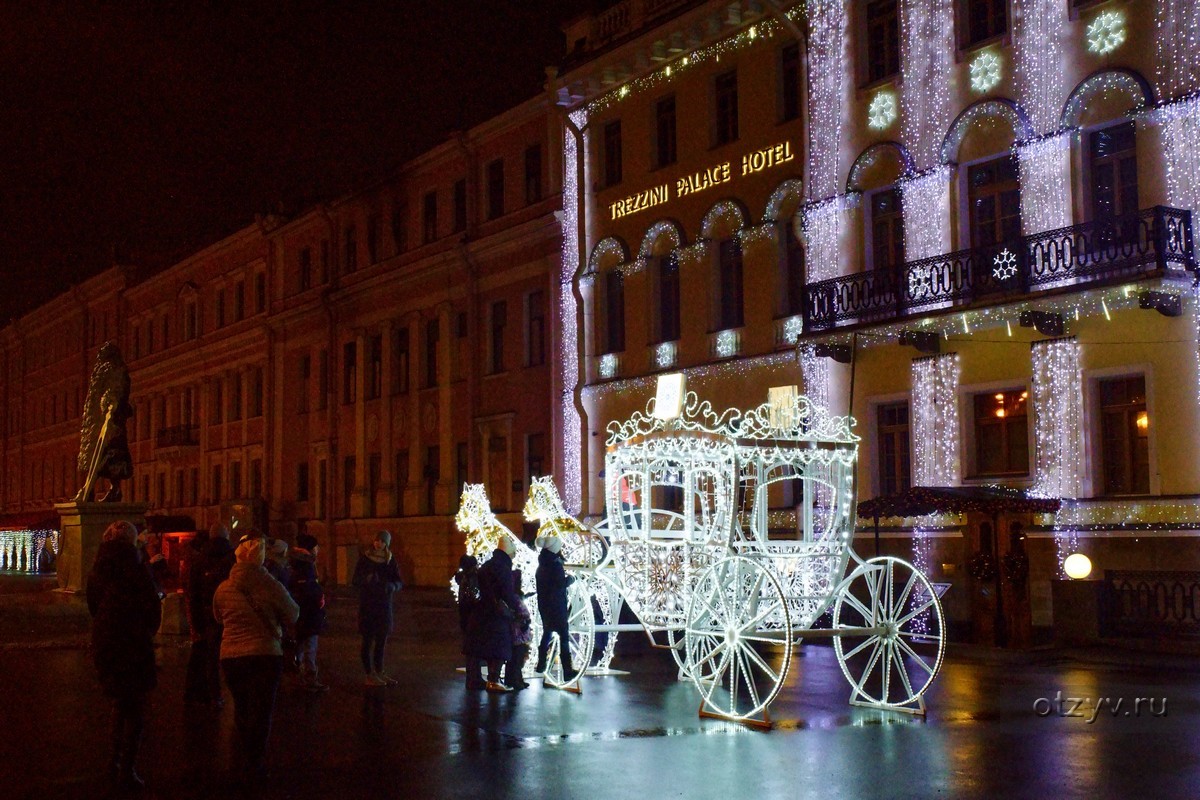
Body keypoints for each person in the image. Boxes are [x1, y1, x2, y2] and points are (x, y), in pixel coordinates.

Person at [212, 535, 300, 784]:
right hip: (264, 654)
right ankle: (255, 762)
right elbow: (293, 613)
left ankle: (242, 756)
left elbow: (218, 616)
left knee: (242, 706)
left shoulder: (224, 587)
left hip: (231, 657)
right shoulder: (268, 584)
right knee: (261, 711)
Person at [87, 520, 162, 790]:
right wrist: (145, 632)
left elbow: (93, 605)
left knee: (119, 703)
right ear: (133, 540)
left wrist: (105, 629)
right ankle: (127, 769)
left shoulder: (98, 568)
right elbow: (153, 608)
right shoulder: (136, 568)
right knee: (136, 710)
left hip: (106, 642)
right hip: (133, 643)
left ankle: (114, 762)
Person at [186, 523, 235, 708]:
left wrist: (197, 624)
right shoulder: (233, 559)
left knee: (211, 658)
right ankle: (234, 693)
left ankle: (215, 695)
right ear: (227, 536)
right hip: (230, 613)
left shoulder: (199, 561)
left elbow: (193, 594)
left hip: (207, 617)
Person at [466, 538, 521, 693]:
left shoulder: (488, 565)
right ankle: (494, 680)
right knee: (500, 646)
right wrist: (517, 609)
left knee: (481, 646)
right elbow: (507, 593)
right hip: (496, 614)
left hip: (482, 612)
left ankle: (476, 679)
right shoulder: (503, 567)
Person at [353, 530, 404, 687]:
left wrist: (391, 586)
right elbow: (355, 580)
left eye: (382, 541)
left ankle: (380, 672)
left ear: (386, 544)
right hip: (368, 604)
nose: (379, 543)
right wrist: (366, 580)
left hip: (383, 604)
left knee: (381, 640)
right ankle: (369, 674)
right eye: (377, 540)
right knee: (368, 640)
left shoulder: (390, 560)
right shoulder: (365, 559)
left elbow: (399, 581)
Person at [288, 533, 328, 692]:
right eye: (316, 546)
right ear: (310, 548)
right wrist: (319, 593)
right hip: (308, 614)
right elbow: (307, 590)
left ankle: (300, 677)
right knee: (309, 646)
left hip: (302, 613)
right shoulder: (305, 565)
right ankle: (309, 679)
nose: (318, 549)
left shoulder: (297, 562)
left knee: (302, 645)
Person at [535, 536, 576, 678]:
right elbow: (559, 584)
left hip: (545, 606)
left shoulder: (542, 564)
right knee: (564, 636)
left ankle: (541, 663)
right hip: (557, 606)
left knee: (547, 632)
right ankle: (567, 671)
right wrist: (570, 580)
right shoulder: (555, 565)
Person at [453, 554, 483, 689]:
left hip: (465, 617)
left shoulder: (462, 578)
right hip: (473, 616)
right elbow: (474, 597)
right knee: (474, 648)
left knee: (470, 648)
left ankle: (473, 678)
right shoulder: (471, 579)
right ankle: (474, 679)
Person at [504, 569, 532, 690]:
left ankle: (516, 679)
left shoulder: (513, 595)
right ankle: (514, 680)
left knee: (517, 657)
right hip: (518, 631)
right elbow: (521, 611)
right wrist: (526, 618)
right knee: (517, 657)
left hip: (517, 630)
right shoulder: (514, 597)